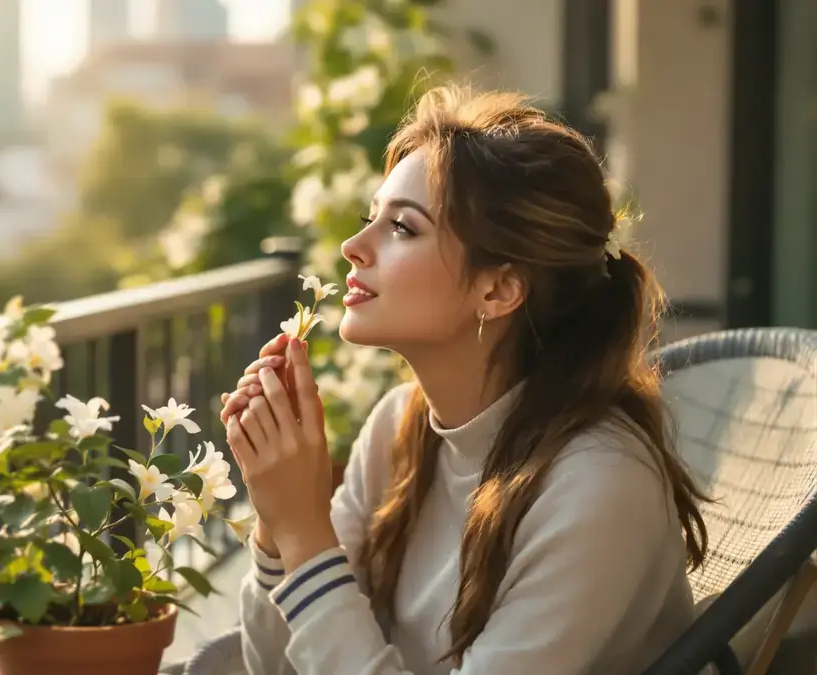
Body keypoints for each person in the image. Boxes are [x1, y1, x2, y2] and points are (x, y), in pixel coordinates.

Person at [217, 85, 710, 675]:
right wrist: (279, 521)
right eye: (369, 219)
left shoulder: (598, 482)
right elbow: (276, 667)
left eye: (402, 228)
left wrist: (304, 532)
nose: (352, 247)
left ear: (498, 289)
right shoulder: (397, 431)